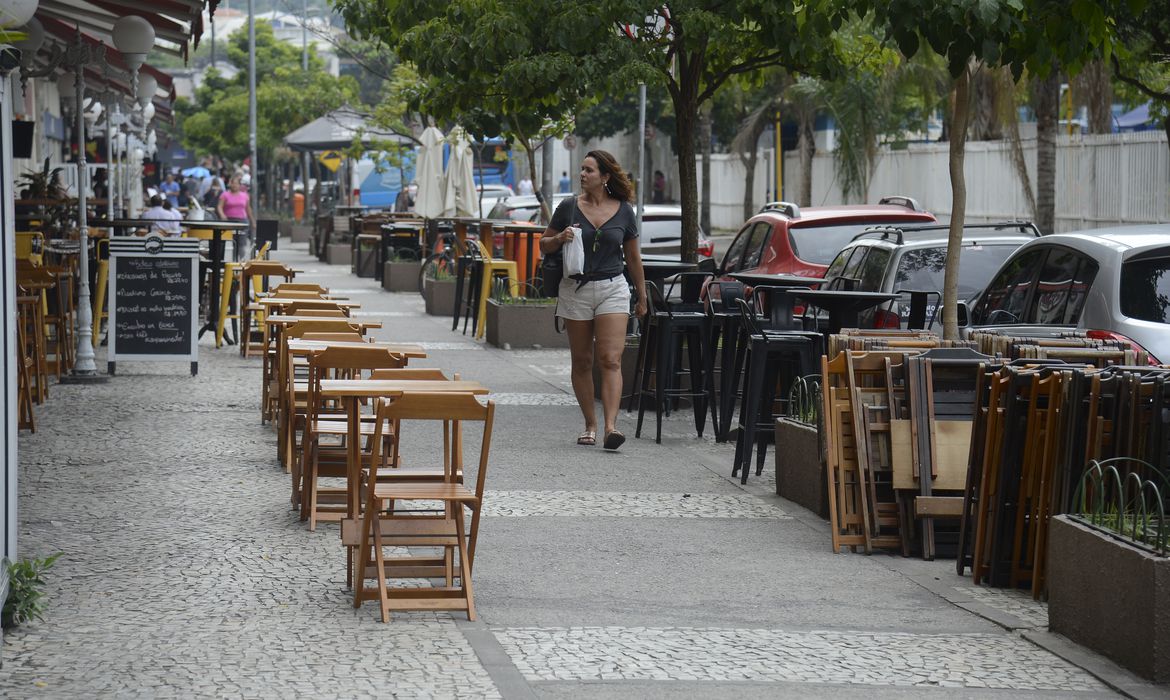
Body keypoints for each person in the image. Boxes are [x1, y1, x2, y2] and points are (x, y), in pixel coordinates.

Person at [540, 150, 647, 451]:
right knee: (583, 360)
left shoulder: (624, 211)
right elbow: (543, 244)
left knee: (610, 359)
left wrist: (642, 294)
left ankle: (611, 427)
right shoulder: (569, 207)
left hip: (613, 287)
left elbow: (633, 257)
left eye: (589, 170)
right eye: (582, 170)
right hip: (576, 290)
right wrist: (559, 238)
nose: (582, 175)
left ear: (605, 176)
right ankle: (590, 423)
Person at [217, 175, 254, 260]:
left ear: (239, 185)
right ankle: (228, 260)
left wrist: (252, 221)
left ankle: (241, 260)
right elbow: (219, 207)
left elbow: (248, 209)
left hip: (242, 221)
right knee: (227, 241)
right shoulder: (225, 195)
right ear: (230, 184)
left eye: (236, 184)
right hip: (229, 221)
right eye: (233, 183)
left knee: (241, 243)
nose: (234, 185)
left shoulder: (244, 195)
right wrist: (222, 215)